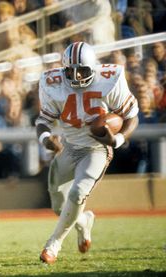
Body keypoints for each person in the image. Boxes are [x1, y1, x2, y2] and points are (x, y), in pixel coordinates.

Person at [35, 41, 139, 264]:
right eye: (70, 71)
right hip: (69, 147)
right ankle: (83, 222)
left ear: (93, 67)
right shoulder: (52, 82)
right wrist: (46, 140)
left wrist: (117, 139)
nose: (77, 77)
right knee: (58, 206)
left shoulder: (110, 78)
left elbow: (132, 116)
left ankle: (54, 244)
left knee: (77, 194)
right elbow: (43, 120)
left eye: (82, 70)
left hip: (96, 148)